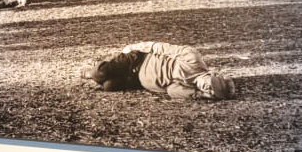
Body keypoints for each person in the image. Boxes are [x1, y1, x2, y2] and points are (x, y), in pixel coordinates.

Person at [81, 40, 237, 100]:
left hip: (136, 79)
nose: (207, 87)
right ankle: (91, 72)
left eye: (211, 90)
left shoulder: (192, 88)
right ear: (213, 75)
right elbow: (160, 47)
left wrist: (199, 94)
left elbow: (172, 90)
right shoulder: (193, 58)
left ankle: (100, 77)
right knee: (100, 73)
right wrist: (133, 48)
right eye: (212, 83)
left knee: (109, 86)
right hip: (138, 59)